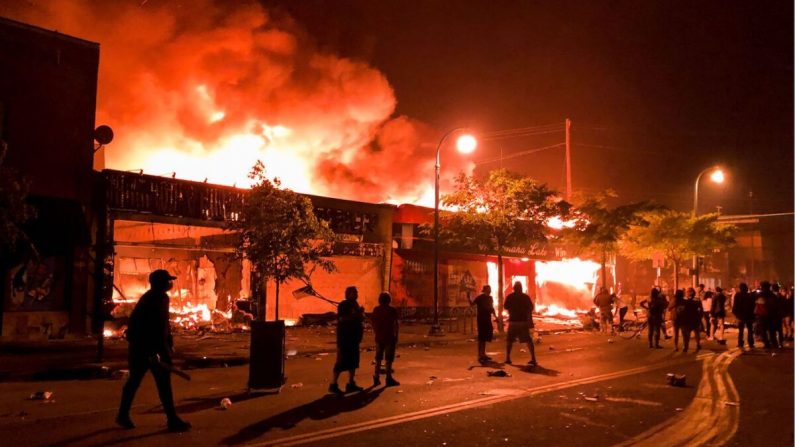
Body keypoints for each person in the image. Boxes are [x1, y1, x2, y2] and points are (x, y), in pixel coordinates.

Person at [117, 269, 191, 432]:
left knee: (162, 385)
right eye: (167, 281)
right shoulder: (150, 300)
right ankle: (124, 415)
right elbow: (142, 328)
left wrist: (169, 343)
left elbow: (163, 324)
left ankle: (171, 419)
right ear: (158, 283)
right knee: (136, 381)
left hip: (157, 348)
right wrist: (150, 352)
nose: (169, 284)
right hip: (144, 349)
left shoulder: (162, 298)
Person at [329, 286, 365, 395]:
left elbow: (358, 318)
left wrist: (360, 315)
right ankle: (333, 384)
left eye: (357, 293)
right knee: (341, 362)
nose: (357, 295)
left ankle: (351, 383)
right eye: (355, 293)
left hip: (354, 338)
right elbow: (342, 319)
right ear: (348, 293)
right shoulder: (343, 305)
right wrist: (356, 314)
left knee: (353, 362)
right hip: (345, 338)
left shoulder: (355, 304)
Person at [503, 281, 538, 366]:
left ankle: (508, 358)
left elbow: (505, 306)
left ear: (514, 288)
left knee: (510, 340)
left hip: (513, 322)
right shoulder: (525, 297)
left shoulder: (510, 296)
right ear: (521, 288)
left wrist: (513, 308)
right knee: (528, 340)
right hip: (522, 322)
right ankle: (533, 358)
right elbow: (531, 307)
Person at [371, 291, 400, 387]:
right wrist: (396, 336)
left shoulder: (376, 310)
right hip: (389, 336)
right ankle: (388, 378)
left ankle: (376, 377)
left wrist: (376, 333)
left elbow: (373, 324)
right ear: (389, 300)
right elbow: (395, 324)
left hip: (379, 337)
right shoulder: (392, 310)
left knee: (378, 358)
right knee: (389, 358)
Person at [469, 285, 498, 363]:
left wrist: (495, 316)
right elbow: (472, 304)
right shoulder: (480, 298)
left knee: (485, 337)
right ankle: (480, 354)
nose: (490, 290)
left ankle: (483, 354)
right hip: (481, 319)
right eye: (488, 289)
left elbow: (492, 308)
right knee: (481, 337)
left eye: (490, 289)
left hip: (487, 319)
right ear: (485, 290)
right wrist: (468, 297)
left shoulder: (490, 298)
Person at [755, 281, 780, 349]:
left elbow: (755, 303)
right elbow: (776, 306)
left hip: (762, 316)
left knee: (763, 331)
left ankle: (767, 344)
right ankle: (774, 344)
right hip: (771, 316)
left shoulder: (759, 295)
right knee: (772, 331)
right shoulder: (773, 295)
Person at [731, 283, 755, 349]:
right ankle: (751, 343)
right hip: (749, 315)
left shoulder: (738, 295)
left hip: (741, 315)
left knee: (741, 330)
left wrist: (735, 314)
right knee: (750, 330)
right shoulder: (749, 295)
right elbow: (752, 306)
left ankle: (740, 343)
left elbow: (735, 305)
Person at [680, 287, 702, 352]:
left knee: (687, 334)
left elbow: (682, 310)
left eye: (687, 291)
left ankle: (686, 346)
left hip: (688, 319)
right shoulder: (697, 300)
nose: (686, 293)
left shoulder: (684, 301)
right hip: (695, 318)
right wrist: (700, 317)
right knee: (696, 333)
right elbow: (701, 310)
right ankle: (697, 344)